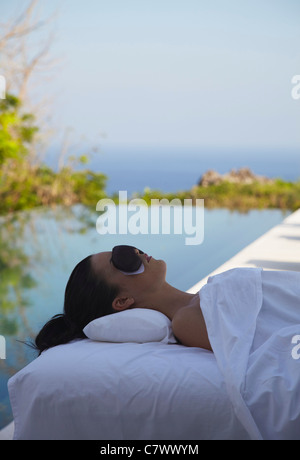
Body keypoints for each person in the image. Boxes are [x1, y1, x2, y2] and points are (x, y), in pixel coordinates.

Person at [34, 245, 212, 354]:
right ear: (122, 301)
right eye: (123, 259)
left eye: (126, 250)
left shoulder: (200, 300)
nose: (136, 252)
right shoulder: (186, 321)